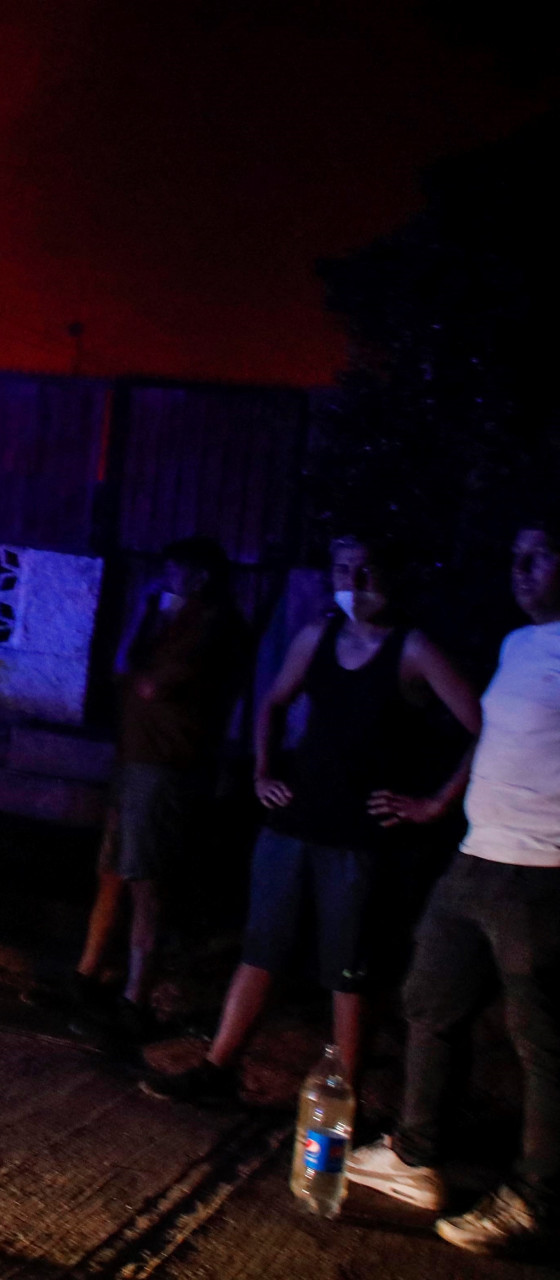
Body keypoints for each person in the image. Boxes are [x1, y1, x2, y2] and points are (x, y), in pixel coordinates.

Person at [145, 534, 481, 1104]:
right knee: (262, 949)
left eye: (367, 570)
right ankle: (218, 1067)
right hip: (294, 822)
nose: (355, 583)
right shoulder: (316, 636)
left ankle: (342, 1099)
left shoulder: (413, 649)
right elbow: (273, 702)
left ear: (391, 577)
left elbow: (482, 725)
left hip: (358, 836)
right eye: (343, 570)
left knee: (348, 972)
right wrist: (263, 772)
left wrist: (435, 802)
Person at [345, 510, 560, 1256]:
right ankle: (416, 1157)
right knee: (430, 1001)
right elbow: (494, 735)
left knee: (542, 1042)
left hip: (544, 876)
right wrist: (440, 803)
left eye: (539, 555)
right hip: (475, 858)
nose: (521, 569)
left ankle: (535, 1202)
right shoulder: (521, 643)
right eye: (516, 555)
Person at [71, 536, 249, 1039]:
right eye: (167, 572)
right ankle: (87, 975)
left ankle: (136, 996)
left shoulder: (214, 626)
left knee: (147, 879)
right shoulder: (169, 619)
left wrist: (154, 626)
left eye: (179, 574)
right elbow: (124, 668)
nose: (170, 582)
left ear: (202, 578)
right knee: (112, 870)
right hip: (135, 758)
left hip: (169, 764)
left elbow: (151, 684)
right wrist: (146, 610)